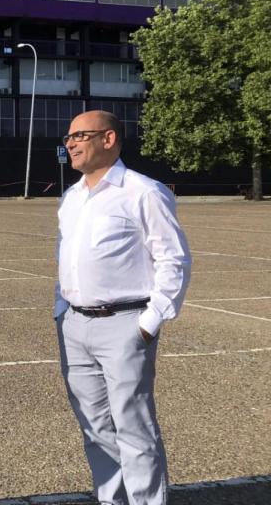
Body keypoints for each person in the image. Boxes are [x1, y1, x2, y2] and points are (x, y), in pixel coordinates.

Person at [55, 110, 191, 505]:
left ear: (109, 139)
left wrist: (149, 322)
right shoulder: (72, 197)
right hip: (75, 326)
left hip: (126, 324)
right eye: (68, 137)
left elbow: (174, 260)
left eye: (80, 135)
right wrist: (61, 309)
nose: (71, 143)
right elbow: (65, 257)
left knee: (134, 427)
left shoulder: (143, 191)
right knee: (95, 428)